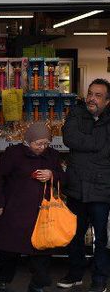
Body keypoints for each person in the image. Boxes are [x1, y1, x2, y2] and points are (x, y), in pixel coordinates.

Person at [0, 122, 66, 292]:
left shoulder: (52, 155)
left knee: (41, 251)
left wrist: (52, 174)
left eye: (46, 143)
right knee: (9, 250)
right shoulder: (14, 154)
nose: (42, 147)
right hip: (16, 211)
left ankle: (37, 284)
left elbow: (63, 177)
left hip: (43, 213)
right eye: (38, 143)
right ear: (28, 141)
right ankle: (2, 278)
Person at [57, 79, 110, 292]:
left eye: (98, 95)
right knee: (74, 234)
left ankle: (99, 280)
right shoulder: (76, 113)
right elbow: (69, 138)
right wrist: (97, 144)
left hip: (102, 188)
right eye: (90, 93)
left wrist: (86, 143)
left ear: (107, 101)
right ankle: (75, 274)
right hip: (77, 185)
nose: (91, 98)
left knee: (101, 238)